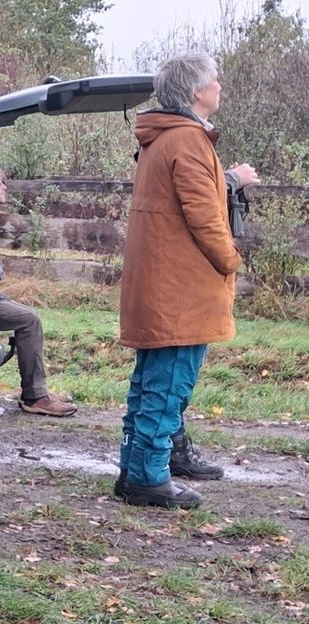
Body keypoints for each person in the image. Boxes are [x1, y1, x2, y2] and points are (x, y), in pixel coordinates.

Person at [116, 53, 256, 509]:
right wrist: (230, 260)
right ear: (197, 91)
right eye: (215, 80)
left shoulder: (163, 139)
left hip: (163, 283)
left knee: (150, 384)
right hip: (181, 289)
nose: (220, 85)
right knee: (168, 383)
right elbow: (206, 217)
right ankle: (149, 477)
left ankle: (135, 471)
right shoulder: (189, 141)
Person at [0, 164, 78, 418]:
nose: (5, 187)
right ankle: (35, 396)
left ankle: (37, 391)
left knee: (25, 314)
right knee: (30, 320)